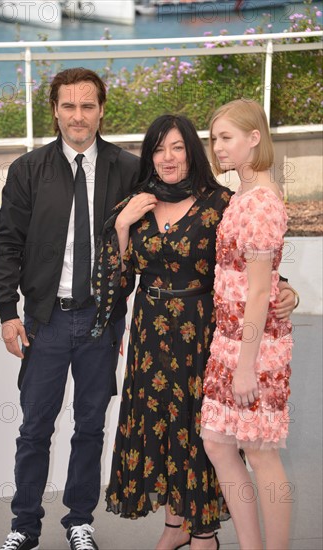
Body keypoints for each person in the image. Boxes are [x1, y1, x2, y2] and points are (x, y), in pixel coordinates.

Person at [91, 114, 296, 550]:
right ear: (149, 155)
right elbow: (114, 281)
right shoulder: (136, 203)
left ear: (192, 152)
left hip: (203, 331)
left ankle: (204, 531)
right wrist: (123, 226)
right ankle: (175, 525)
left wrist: (287, 291)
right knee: (164, 429)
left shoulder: (221, 200)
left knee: (200, 435)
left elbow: (251, 264)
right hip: (150, 333)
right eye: (159, 148)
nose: (168, 157)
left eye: (178, 147)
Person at [0, 67, 140, 550]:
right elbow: (7, 244)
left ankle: (80, 521)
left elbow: (166, 231)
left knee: (91, 426)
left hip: (101, 320)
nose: (79, 116)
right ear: (55, 110)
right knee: (35, 428)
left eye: (88, 105)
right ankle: (23, 526)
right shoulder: (27, 170)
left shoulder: (128, 169)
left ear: (101, 110)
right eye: (69, 106)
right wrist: (7, 311)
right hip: (45, 321)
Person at [201, 99, 294, 550]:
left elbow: (259, 291)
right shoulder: (242, 196)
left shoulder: (259, 204)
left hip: (252, 347)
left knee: (260, 450)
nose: (217, 147)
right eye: (215, 137)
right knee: (218, 442)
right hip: (228, 339)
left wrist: (245, 364)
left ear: (254, 138)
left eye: (226, 137)